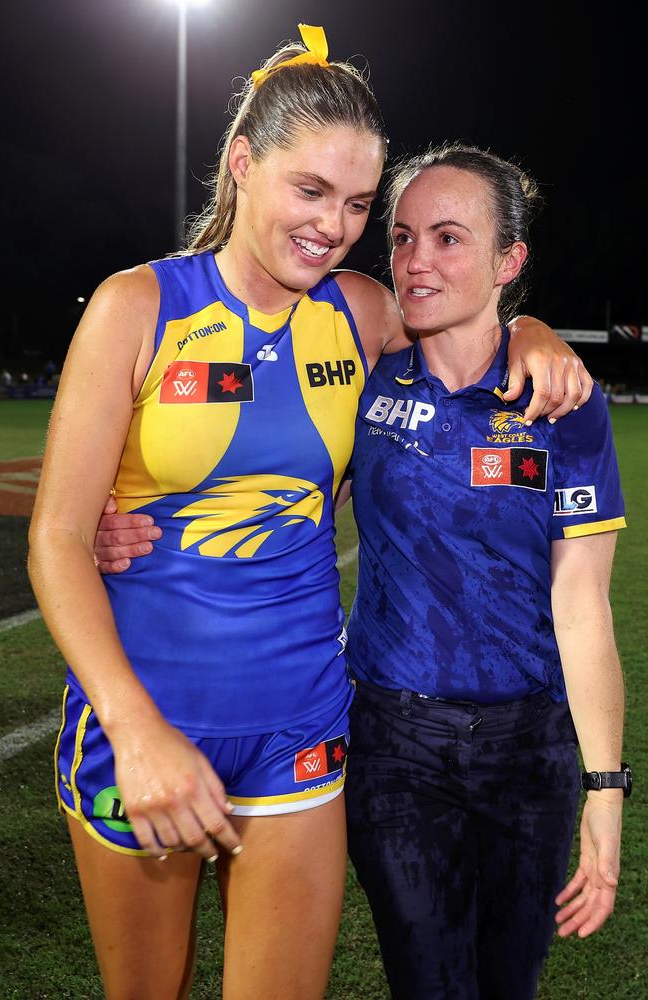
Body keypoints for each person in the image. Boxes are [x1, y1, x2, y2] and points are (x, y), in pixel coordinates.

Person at [32, 25, 590, 1000]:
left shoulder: (359, 312)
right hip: (143, 721)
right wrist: (138, 728)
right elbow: (59, 538)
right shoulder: (136, 306)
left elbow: (468, 323)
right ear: (243, 165)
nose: (333, 224)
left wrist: (532, 328)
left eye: (358, 203)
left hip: (299, 718)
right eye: (310, 191)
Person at [342, 144, 629, 999]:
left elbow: (582, 609)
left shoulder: (564, 406)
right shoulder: (364, 380)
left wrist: (605, 791)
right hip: (395, 747)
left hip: (528, 754)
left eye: (448, 238)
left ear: (510, 260)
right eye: (402, 238)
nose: (416, 261)